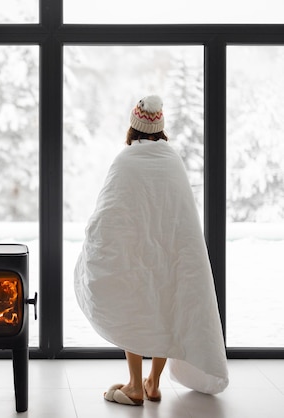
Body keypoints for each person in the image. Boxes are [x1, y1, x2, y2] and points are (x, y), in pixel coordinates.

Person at [73, 95, 229, 406]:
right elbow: (183, 212)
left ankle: (134, 385)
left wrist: (95, 233)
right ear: (160, 128)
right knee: (165, 311)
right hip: (172, 256)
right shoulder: (172, 159)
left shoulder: (125, 159)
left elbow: (110, 208)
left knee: (133, 309)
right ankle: (153, 383)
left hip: (135, 255)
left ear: (134, 127)